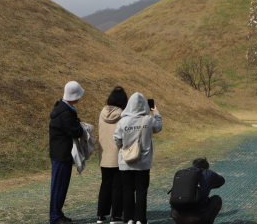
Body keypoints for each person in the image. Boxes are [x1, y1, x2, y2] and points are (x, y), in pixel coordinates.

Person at [113, 92, 162, 224]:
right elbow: (158, 127)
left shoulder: (123, 122)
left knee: (127, 191)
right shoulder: (148, 120)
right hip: (143, 163)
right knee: (141, 192)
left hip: (126, 162)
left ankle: (128, 218)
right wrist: (156, 112)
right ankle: (140, 219)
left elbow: (117, 140)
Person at [49, 81, 85, 224]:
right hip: (61, 154)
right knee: (59, 186)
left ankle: (57, 214)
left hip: (60, 153)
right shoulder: (65, 113)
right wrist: (81, 127)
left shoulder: (62, 108)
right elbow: (76, 130)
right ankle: (55, 216)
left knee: (60, 186)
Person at [96, 87, 128, 224]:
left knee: (105, 185)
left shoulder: (102, 113)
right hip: (118, 155)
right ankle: (116, 215)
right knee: (118, 186)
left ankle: (101, 214)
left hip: (104, 155)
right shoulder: (122, 115)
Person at [170, 158, 225, 224]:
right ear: (205, 167)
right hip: (195, 219)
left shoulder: (181, 173)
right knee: (217, 199)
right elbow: (221, 181)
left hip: (175, 215)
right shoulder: (207, 173)